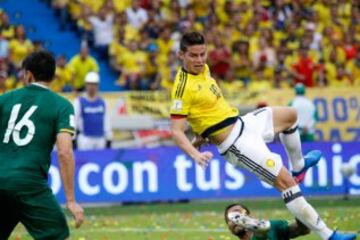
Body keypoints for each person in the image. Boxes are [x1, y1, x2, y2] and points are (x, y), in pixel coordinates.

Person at [170, 32, 356, 240]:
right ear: (181, 54)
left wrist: (200, 136)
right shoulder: (181, 88)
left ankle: (299, 166)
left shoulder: (204, 69)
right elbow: (176, 130)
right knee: (286, 184)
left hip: (243, 123)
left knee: (290, 116)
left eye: (202, 54)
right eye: (193, 56)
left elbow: (202, 113)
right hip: (236, 145)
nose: (200, 60)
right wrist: (195, 154)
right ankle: (329, 236)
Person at [0, 51, 84, 239]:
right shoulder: (62, 105)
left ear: (28, 74)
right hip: (29, 184)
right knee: (57, 234)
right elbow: (64, 152)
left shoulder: (5, 99)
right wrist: (71, 200)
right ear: (53, 76)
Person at [224, 203, 310, 240]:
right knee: (261, 233)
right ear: (228, 227)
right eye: (231, 219)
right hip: (262, 229)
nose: (235, 221)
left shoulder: (273, 226)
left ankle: (260, 233)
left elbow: (303, 230)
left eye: (237, 215)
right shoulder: (268, 226)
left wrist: (299, 212)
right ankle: (260, 233)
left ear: (250, 216)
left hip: (265, 228)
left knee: (265, 230)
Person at [74, 71, 112, 150]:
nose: (92, 87)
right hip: (85, 139)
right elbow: (74, 121)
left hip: (100, 139)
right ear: (86, 85)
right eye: (89, 84)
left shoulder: (103, 102)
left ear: (98, 85)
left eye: (94, 84)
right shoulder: (79, 102)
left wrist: (109, 138)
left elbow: (107, 121)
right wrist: (73, 139)